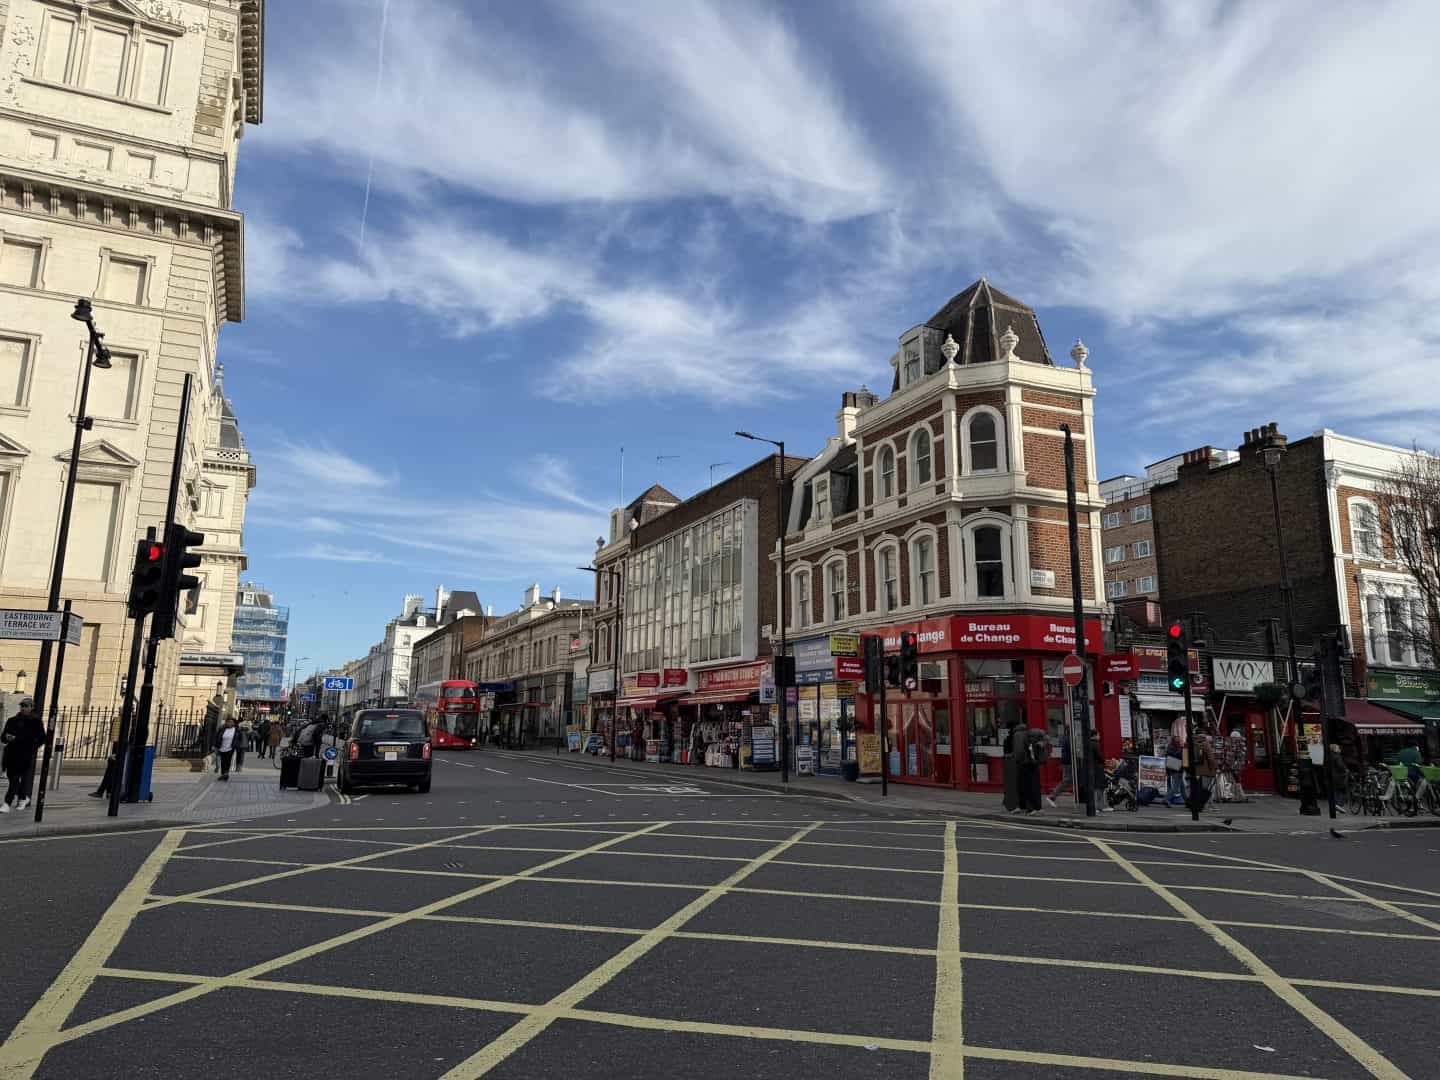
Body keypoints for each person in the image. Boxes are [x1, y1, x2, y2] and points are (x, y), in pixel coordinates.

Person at [1, 698, 44, 812]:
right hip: (10, 754)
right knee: (12, 778)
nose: (23, 708)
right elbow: (3, 736)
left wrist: (31, 747)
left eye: (26, 706)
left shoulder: (36, 722)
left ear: (31, 707)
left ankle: (7, 803)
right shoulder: (12, 720)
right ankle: (23, 798)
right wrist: (7, 737)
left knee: (15, 778)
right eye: (22, 705)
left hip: (24, 754)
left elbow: (41, 738)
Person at [1046, 726, 1072, 808]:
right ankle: (1052, 796)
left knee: (1068, 780)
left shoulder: (1063, 738)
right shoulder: (1068, 739)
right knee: (1067, 780)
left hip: (1066, 761)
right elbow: (1072, 749)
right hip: (1069, 762)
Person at [1193, 725, 1217, 810]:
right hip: (1206, 769)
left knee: (1198, 788)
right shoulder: (1205, 743)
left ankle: (1196, 803)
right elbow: (1210, 757)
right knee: (1206, 788)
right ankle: (1205, 804)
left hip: (1196, 769)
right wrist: (1214, 767)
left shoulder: (1193, 742)